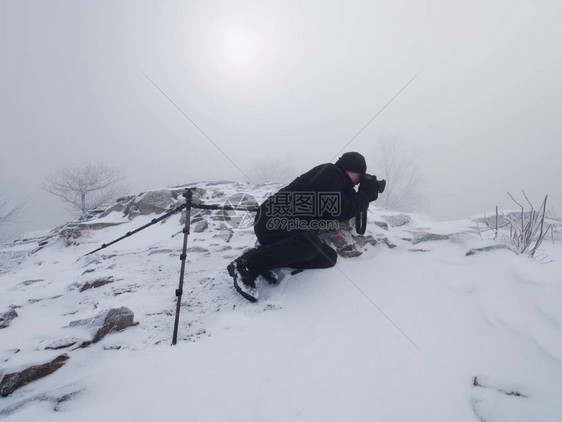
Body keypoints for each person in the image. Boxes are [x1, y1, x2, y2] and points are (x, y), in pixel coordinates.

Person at [227, 152, 380, 302]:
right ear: (348, 170)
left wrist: (367, 193)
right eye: (359, 176)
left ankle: (264, 257)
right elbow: (341, 211)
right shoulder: (331, 174)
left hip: (287, 227)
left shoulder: (341, 183)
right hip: (271, 220)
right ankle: (247, 265)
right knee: (310, 243)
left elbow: (347, 204)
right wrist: (365, 194)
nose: (358, 181)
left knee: (328, 258)